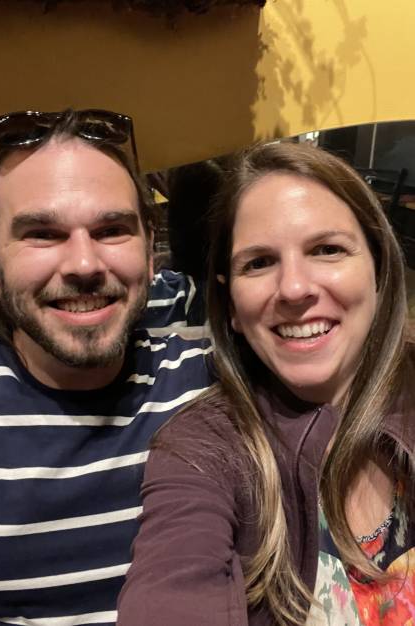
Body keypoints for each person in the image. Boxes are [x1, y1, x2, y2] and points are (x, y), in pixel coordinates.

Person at [118, 141, 415, 625]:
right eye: (258, 262)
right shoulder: (203, 448)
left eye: (327, 249)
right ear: (231, 306)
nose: (294, 288)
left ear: (378, 270)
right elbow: (173, 579)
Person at [0, 108, 211, 625]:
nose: (84, 264)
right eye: (42, 234)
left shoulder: (210, 386)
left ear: (150, 251)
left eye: (111, 229)